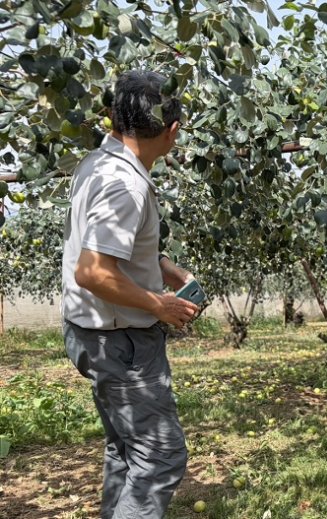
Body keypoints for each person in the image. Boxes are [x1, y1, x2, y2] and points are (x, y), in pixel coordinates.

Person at [62, 71, 199, 519]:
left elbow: (103, 248)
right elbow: (94, 271)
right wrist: (160, 304)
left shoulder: (98, 164)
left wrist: (161, 266)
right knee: (161, 457)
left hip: (95, 334)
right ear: (173, 130)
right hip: (120, 342)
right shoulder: (126, 183)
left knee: (127, 450)